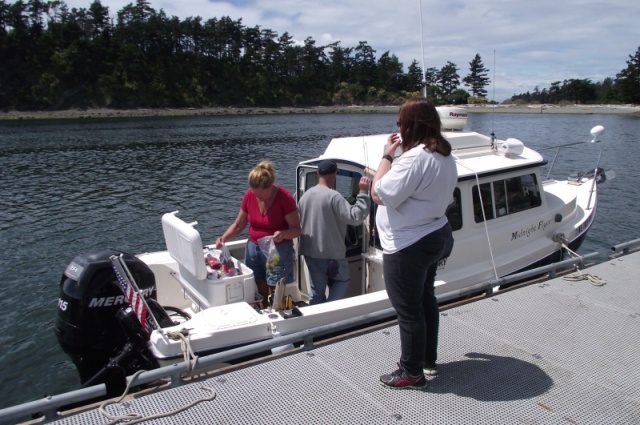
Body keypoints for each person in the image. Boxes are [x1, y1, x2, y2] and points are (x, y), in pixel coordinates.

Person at [371, 97, 457, 390]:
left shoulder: (413, 158)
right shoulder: (443, 153)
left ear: (410, 125)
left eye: (400, 123)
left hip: (409, 244)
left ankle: (412, 373)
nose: (398, 128)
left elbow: (379, 193)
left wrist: (387, 156)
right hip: (435, 234)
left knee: (409, 311)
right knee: (425, 300)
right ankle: (426, 360)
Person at [216, 160, 301, 307]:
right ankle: (265, 308)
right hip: (253, 248)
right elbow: (238, 225)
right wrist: (224, 237)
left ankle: (279, 311)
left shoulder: (284, 198)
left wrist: (283, 234)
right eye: (255, 194)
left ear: (270, 186)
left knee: (275, 286)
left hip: (276, 251)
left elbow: (296, 229)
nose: (258, 198)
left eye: (261, 196)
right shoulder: (250, 195)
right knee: (258, 282)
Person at [298, 160, 371, 304]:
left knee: (316, 291)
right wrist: (363, 192)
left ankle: (317, 316)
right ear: (334, 176)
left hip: (310, 253)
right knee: (342, 280)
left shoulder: (305, 196)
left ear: (318, 173)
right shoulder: (334, 196)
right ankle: (330, 308)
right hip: (331, 254)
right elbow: (355, 217)